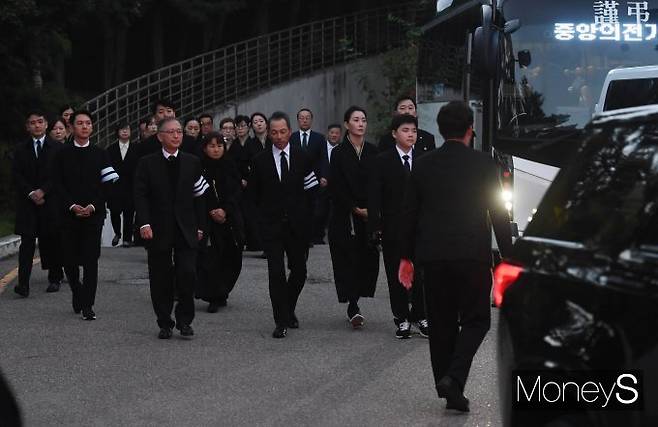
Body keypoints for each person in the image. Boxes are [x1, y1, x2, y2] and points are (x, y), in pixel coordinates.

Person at [399, 101, 513, 412]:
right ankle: (455, 377)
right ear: (469, 130)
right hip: (472, 256)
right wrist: (508, 257)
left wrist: (405, 257)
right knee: (477, 320)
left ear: (439, 128)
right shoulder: (484, 164)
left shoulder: (422, 164)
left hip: (433, 257)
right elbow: (499, 213)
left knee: (441, 323)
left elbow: (409, 214)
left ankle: (449, 385)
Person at [134, 117, 208, 339]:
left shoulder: (192, 161)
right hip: (158, 228)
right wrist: (144, 223)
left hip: (186, 227)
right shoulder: (147, 163)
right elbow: (140, 195)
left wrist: (201, 226)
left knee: (187, 273)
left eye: (179, 132)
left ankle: (185, 320)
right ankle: (164, 321)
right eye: (171, 132)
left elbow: (200, 197)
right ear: (160, 136)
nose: (177, 136)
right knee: (160, 276)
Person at [249, 111, 318, 338]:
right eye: (274, 132)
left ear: (290, 131)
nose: (279, 136)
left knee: (299, 271)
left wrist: (309, 222)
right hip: (271, 227)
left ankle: (288, 307)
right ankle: (281, 320)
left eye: (283, 132)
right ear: (268, 133)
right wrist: (260, 224)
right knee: (275, 273)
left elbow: (312, 192)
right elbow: (253, 196)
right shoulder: (260, 161)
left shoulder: (302, 156)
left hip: (298, 227)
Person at [53, 110, 119, 320]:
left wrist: (92, 205)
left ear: (92, 127)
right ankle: (76, 290)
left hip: (93, 215)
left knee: (91, 261)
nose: (84, 127)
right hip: (68, 215)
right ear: (71, 127)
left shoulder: (101, 154)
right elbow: (56, 184)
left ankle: (88, 304)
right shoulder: (61, 154)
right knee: (69, 260)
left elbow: (108, 185)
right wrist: (72, 205)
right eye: (79, 123)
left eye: (88, 123)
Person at [368, 114, 428, 339]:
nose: (410, 134)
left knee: (421, 276)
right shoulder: (382, 160)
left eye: (413, 130)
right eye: (405, 130)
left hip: (420, 229)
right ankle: (401, 318)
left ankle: (421, 316)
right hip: (393, 228)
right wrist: (375, 228)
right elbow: (374, 197)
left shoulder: (424, 159)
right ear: (394, 133)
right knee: (397, 276)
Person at [328, 106, 379, 328]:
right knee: (347, 258)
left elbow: (378, 183)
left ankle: (358, 296)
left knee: (365, 258)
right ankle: (352, 304)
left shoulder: (373, 151)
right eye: (356, 120)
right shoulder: (338, 153)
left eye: (364, 120)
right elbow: (336, 185)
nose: (360, 124)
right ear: (347, 124)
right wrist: (353, 207)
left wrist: (372, 209)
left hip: (369, 214)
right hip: (344, 214)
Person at [13, 111, 63, 296]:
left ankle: (55, 278)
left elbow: (59, 174)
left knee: (51, 240)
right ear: (27, 127)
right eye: (32, 123)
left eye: (40, 122)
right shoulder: (19, 149)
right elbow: (16, 175)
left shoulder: (57, 148)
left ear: (46, 124)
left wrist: (44, 191)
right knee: (26, 243)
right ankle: (23, 284)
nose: (36, 125)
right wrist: (31, 192)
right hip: (28, 203)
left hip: (50, 202)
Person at [196, 132, 245, 312]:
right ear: (205, 148)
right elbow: (197, 193)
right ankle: (214, 296)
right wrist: (211, 210)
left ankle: (223, 291)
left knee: (232, 257)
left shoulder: (229, 165)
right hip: (208, 220)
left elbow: (237, 191)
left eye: (219, 146)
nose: (216, 150)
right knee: (211, 259)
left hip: (230, 219)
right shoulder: (199, 167)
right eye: (212, 146)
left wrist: (225, 210)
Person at [107, 122, 139, 247]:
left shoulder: (136, 148)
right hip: (115, 186)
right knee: (115, 211)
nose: (125, 132)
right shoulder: (111, 149)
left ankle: (126, 238)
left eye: (127, 129)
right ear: (117, 132)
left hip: (130, 186)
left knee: (129, 213)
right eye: (122, 130)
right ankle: (117, 233)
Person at [242, 112, 269, 252]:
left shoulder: (273, 139)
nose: (258, 123)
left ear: (266, 123)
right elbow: (244, 163)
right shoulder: (250, 143)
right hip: (255, 184)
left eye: (261, 121)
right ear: (252, 126)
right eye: (255, 122)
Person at [312, 123, 341, 244]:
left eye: (337, 133)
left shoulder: (342, 149)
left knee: (336, 212)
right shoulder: (321, 147)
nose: (334, 135)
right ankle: (318, 235)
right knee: (320, 211)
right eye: (332, 132)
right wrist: (320, 177)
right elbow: (316, 163)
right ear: (328, 133)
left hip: (338, 185)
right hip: (322, 184)